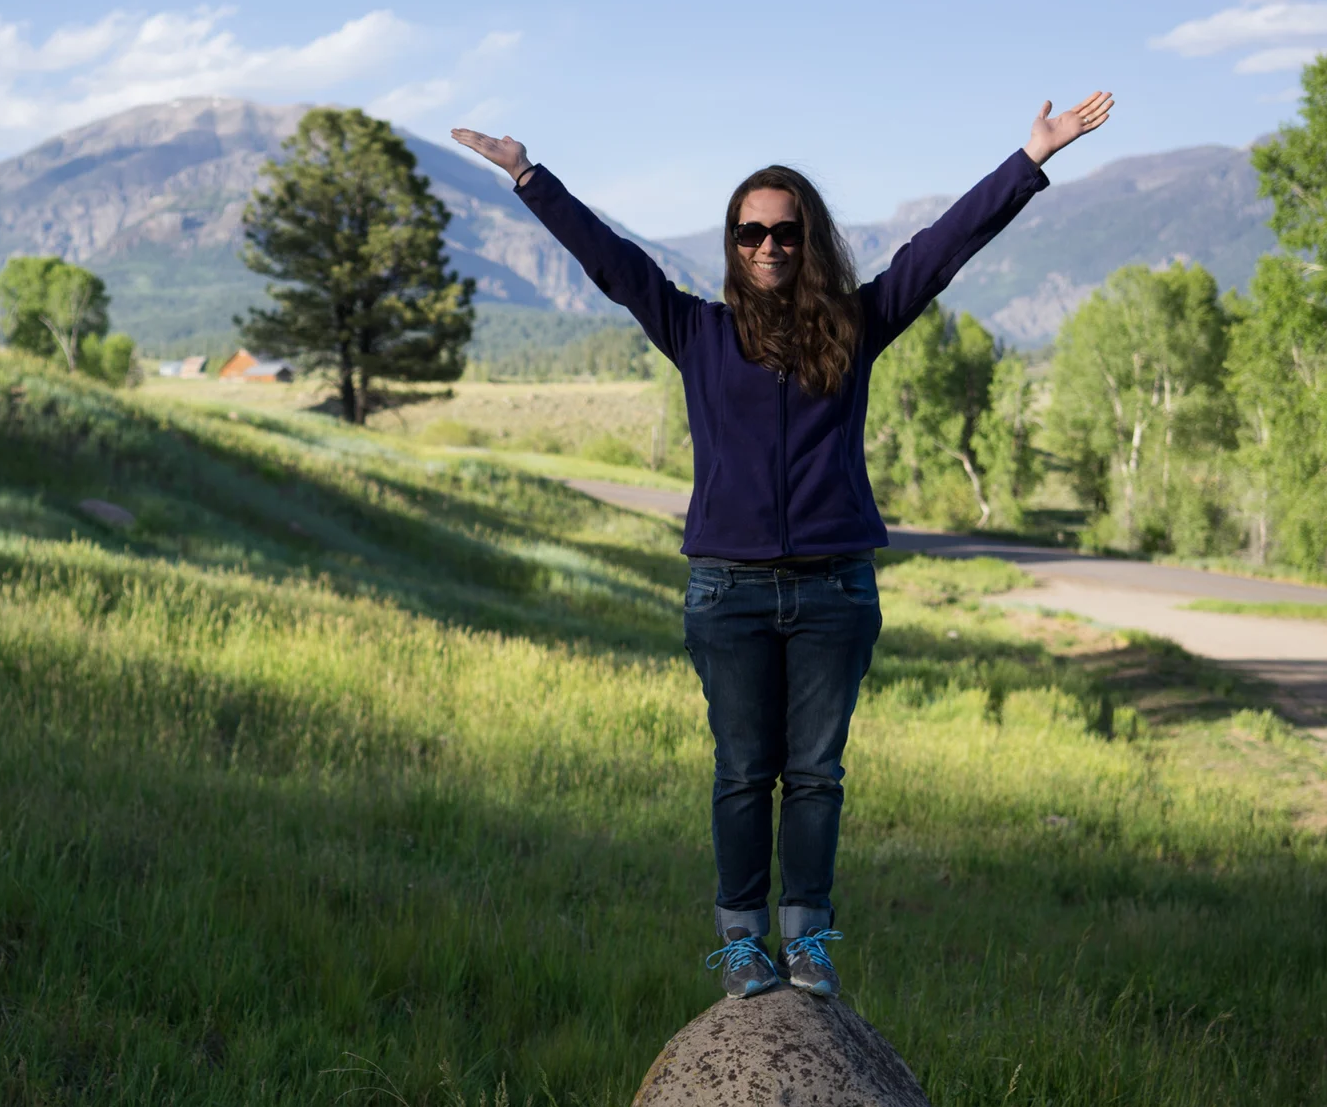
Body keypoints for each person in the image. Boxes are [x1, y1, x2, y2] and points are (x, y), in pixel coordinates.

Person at [452, 93, 1113, 1000]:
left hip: (835, 592)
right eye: (751, 231)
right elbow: (612, 263)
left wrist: (1028, 160)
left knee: (814, 776)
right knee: (740, 772)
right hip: (727, 594)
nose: (768, 245)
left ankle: (808, 940)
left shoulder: (855, 325)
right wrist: (531, 177)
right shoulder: (696, 331)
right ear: (734, 243)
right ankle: (741, 941)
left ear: (809, 241)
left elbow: (940, 250)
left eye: (786, 232)